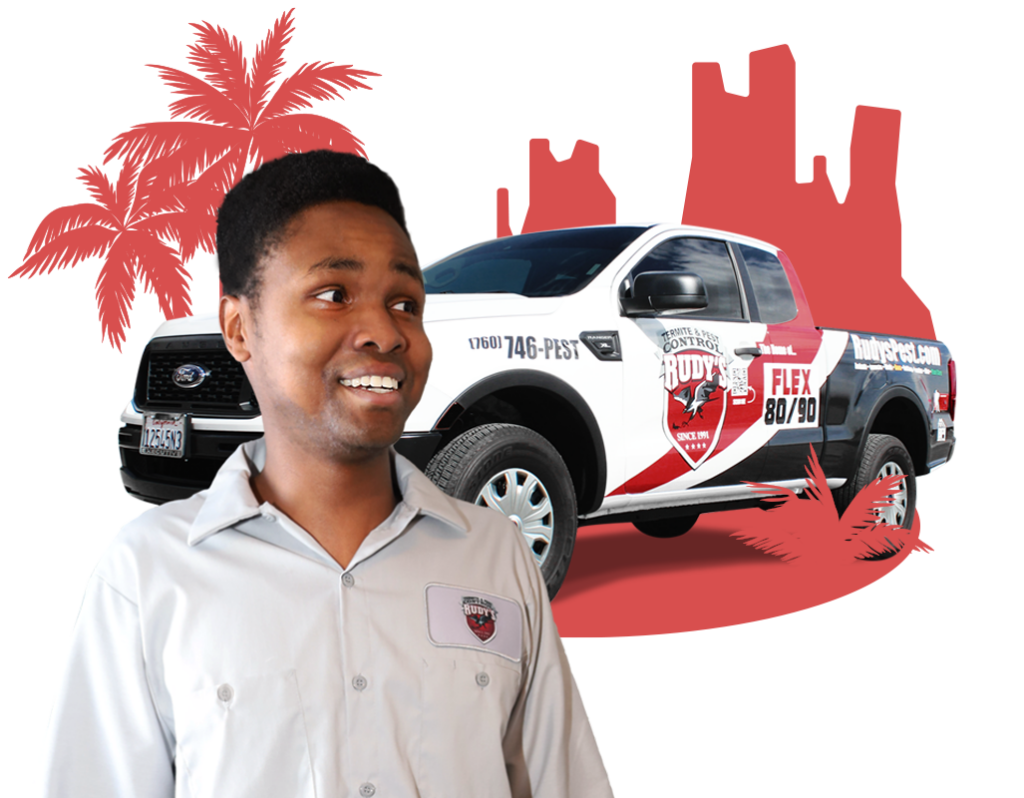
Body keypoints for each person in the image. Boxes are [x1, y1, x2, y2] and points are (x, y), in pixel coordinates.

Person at [30, 150, 615, 797]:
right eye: (334, 295)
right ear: (238, 326)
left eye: (405, 302)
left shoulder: (496, 556)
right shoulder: (145, 577)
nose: (387, 333)